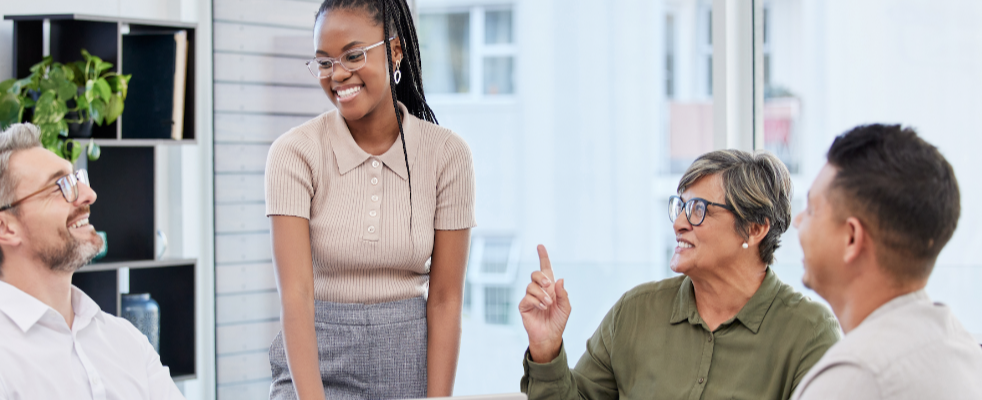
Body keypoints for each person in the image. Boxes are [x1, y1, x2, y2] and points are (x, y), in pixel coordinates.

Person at [264, 0, 476, 398]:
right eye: (323, 62)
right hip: (316, 366)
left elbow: (446, 301)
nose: (337, 74)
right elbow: (295, 295)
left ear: (395, 50)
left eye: (353, 55)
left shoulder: (447, 156)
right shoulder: (294, 153)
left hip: (409, 364)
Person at [518, 150, 841, 399]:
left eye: (698, 209)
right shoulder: (635, 312)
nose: (678, 223)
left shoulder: (809, 332)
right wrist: (546, 349)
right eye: (680, 207)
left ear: (755, 229)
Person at [0, 123, 183, 399]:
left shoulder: (125, 339)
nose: (89, 195)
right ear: (4, 227)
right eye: (60, 186)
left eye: (77, 179)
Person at [790, 124, 982, 399]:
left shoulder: (855, 378)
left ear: (852, 238)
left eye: (811, 210)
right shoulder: (959, 348)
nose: (798, 222)